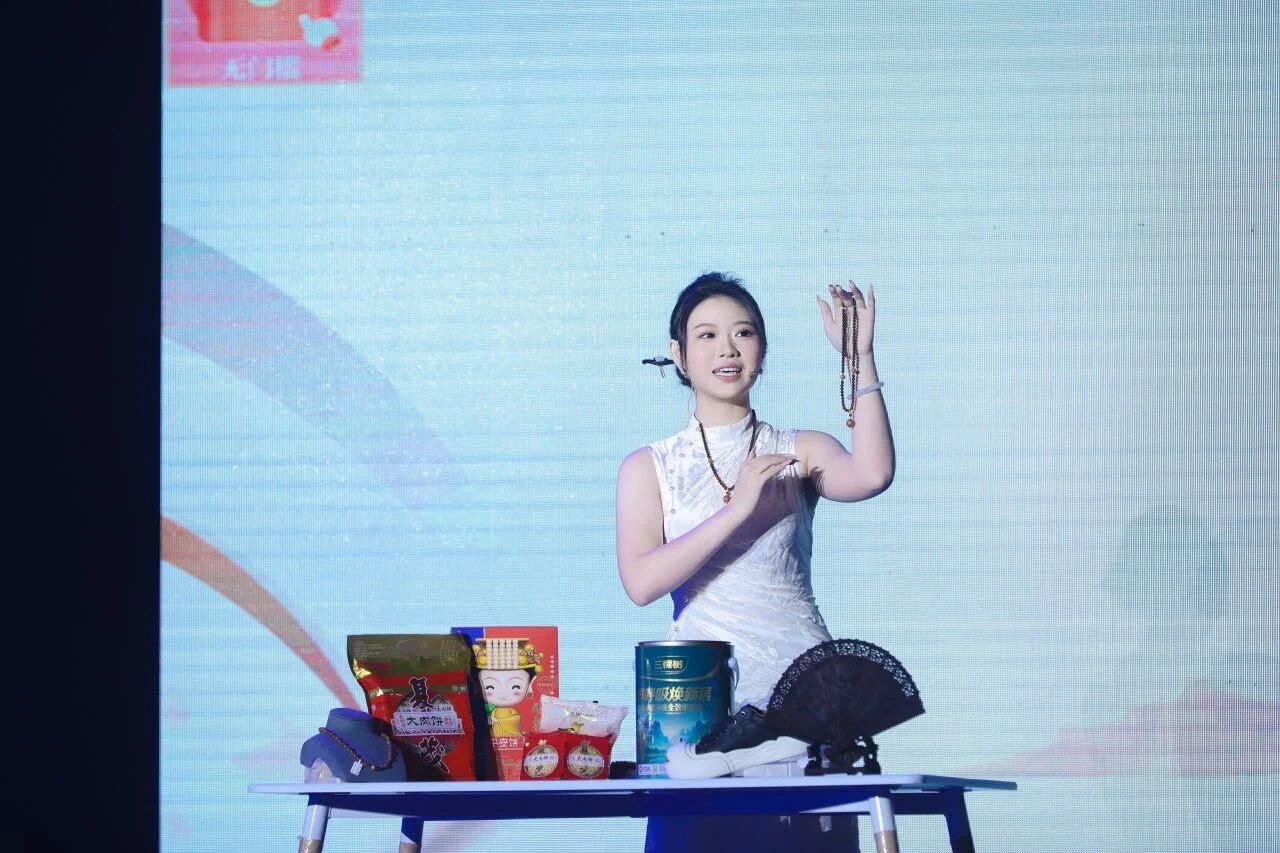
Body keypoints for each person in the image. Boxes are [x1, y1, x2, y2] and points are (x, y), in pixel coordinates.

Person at [616, 272, 894, 851]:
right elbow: (641, 582)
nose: (727, 348)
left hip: (805, 699)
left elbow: (872, 474)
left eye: (743, 333)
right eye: (707, 335)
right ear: (678, 355)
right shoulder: (649, 466)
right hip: (700, 710)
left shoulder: (799, 449)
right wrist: (737, 509)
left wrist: (860, 358)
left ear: (761, 351)